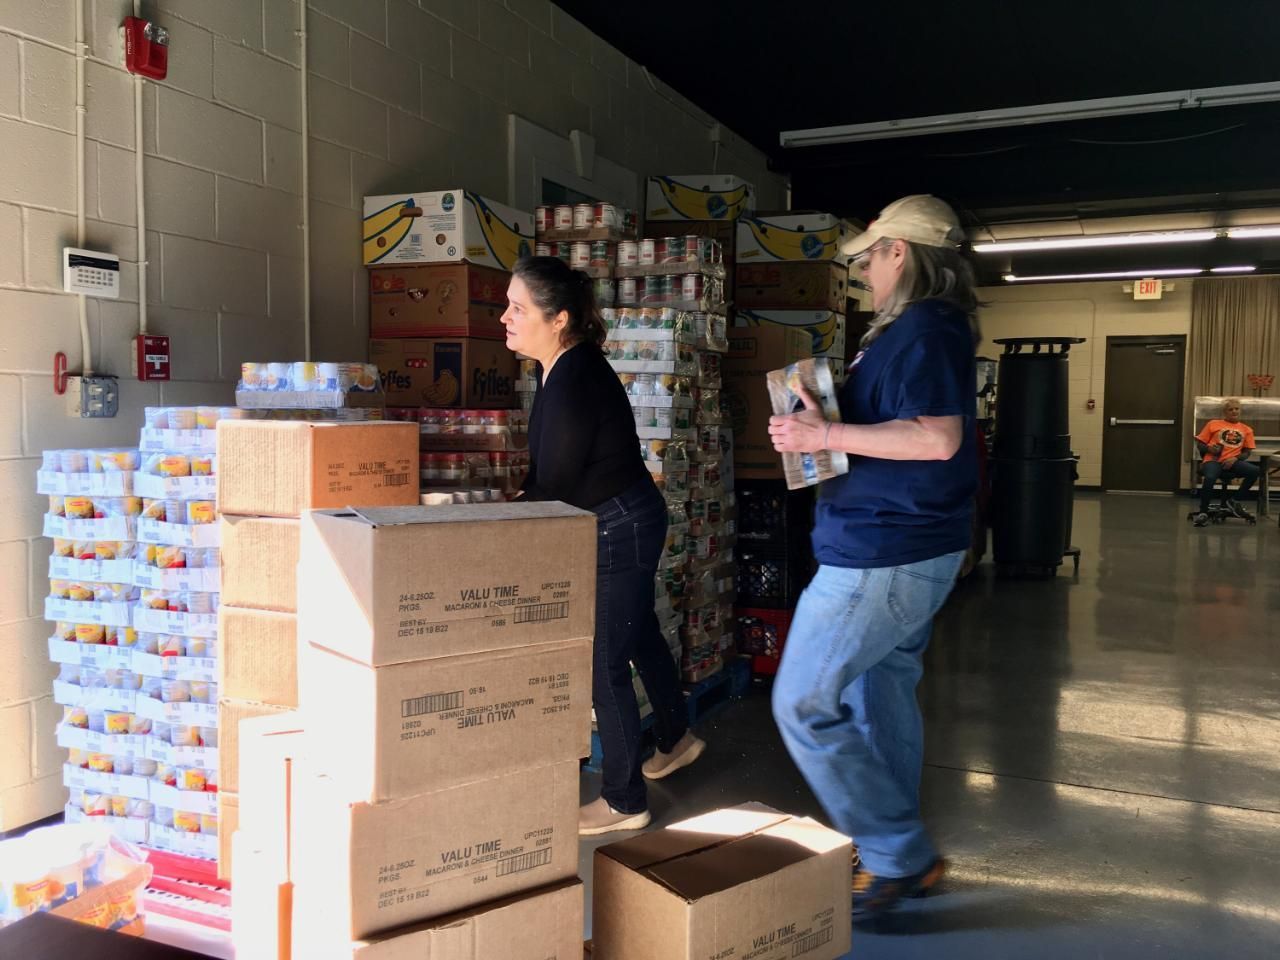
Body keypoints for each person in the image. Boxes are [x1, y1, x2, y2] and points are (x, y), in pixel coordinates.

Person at [767, 195, 979, 918]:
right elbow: (891, 428)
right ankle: (891, 849)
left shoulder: (926, 330)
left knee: (802, 700)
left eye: (868, 256)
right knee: (879, 691)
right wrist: (817, 421)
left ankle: (898, 853)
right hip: (902, 545)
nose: (860, 270)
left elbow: (936, 438)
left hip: (884, 552)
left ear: (901, 253)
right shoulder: (910, 332)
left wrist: (824, 438)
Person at [501, 256, 704, 836]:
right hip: (628, 515)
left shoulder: (571, 378)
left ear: (558, 318)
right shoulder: (565, 366)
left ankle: (622, 798)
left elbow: (557, 483)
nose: (505, 318)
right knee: (636, 631)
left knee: (604, 661)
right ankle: (674, 738)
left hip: (616, 527)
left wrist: (498, 521)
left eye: (518, 308)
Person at [1192, 399, 1258, 525]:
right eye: (1230, 409)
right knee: (1210, 477)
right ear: (1225, 412)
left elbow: (1247, 452)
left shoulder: (1247, 429)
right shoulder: (1213, 424)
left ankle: (1234, 500)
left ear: (1240, 411)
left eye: (1236, 409)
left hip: (1233, 461)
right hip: (1213, 460)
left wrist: (1236, 458)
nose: (1234, 411)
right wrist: (1209, 448)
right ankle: (1203, 512)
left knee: (1254, 471)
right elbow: (1200, 445)